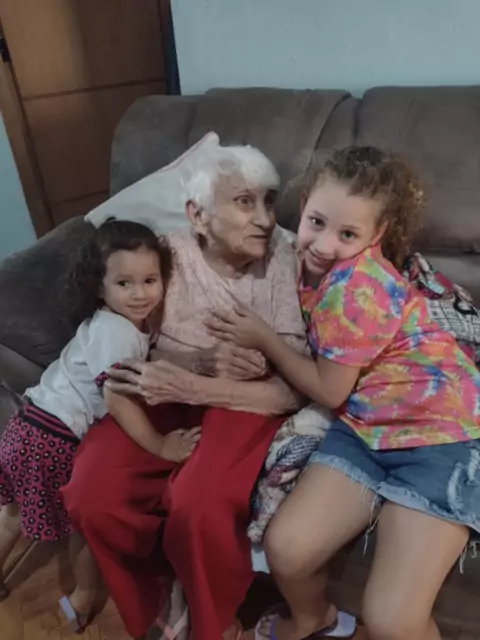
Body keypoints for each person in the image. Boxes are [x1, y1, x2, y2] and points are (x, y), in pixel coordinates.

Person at [208, 146, 480, 640]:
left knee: (392, 618)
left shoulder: (358, 287)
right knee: (286, 549)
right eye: (317, 222)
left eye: (348, 234)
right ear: (304, 205)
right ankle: (314, 618)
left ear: (377, 235)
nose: (324, 245)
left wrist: (264, 339)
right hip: (365, 427)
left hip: (443, 437)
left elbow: (329, 390)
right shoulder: (294, 258)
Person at [62, 144, 308, 640]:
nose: (265, 219)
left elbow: (291, 390)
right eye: (244, 202)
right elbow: (131, 339)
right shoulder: (165, 256)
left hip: (244, 403)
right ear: (197, 215)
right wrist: (190, 364)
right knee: (92, 492)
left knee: (198, 504)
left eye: (269, 201)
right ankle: (159, 603)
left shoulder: (282, 257)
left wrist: (204, 384)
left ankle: (211, 621)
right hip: (164, 389)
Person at [0, 220, 185, 632]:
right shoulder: (116, 332)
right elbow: (117, 400)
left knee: (12, 514)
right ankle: (83, 599)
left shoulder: (111, 322)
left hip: (27, 424)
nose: (140, 294)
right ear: (100, 288)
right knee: (81, 527)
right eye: (124, 283)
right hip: (52, 437)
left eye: (149, 280)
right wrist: (160, 445)